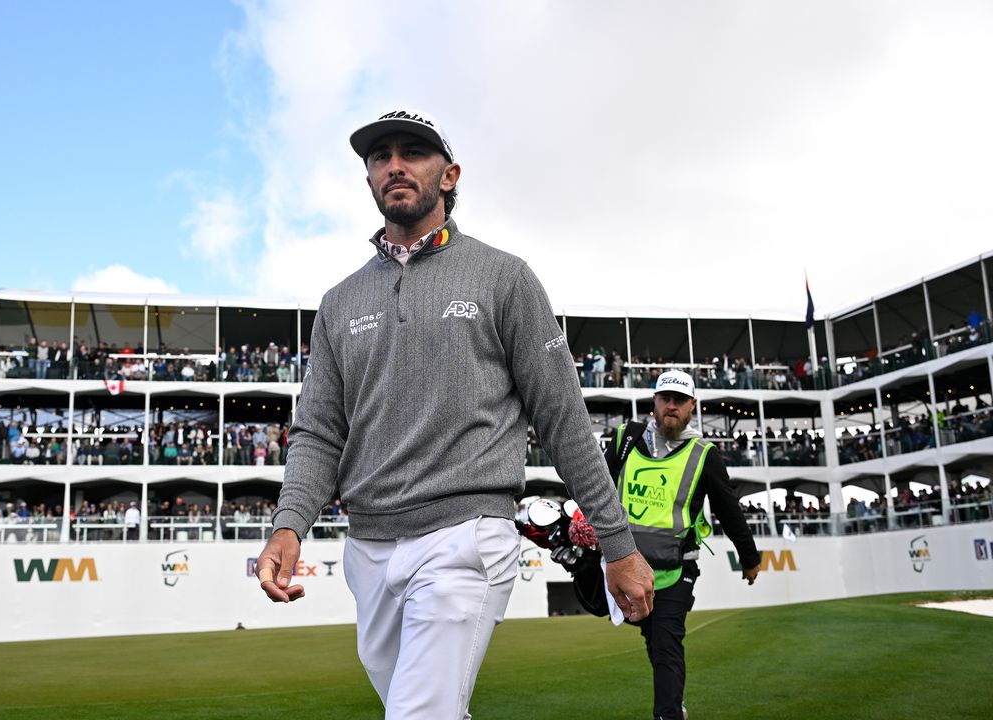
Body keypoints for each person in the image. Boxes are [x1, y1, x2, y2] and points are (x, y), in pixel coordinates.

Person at [255, 108, 654, 719]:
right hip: (368, 549)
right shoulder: (339, 303)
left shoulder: (504, 278)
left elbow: (563, 419)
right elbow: (317, 433)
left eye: (412, 151)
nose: (394, 165)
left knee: (416, 715)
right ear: (367, 180)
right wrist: (289, 525)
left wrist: (617, 545)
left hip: (467, 536)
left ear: (449, 174)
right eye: (379, 156)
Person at [605, 370, 760, 720]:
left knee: (665, 643)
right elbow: (597, 488)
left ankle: (669, 714)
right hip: (624, 566)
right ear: (654, 402)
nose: (671, 406)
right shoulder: (624, 438)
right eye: (665, 399)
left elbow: (728, 510)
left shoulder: (705, 454)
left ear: (693, 406)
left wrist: (749, 559)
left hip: (676, 571)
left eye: (679, 400)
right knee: (653, 638)